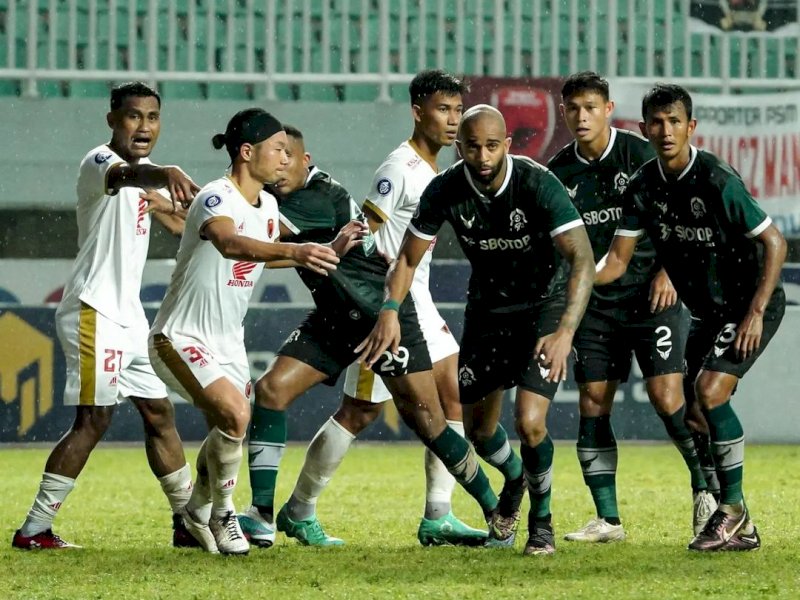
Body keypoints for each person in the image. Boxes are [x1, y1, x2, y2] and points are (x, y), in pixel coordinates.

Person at [242, 71, 485, 547]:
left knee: (417, 402)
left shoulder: (435, 170)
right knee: (364, 410)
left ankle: (433, 512)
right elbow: (366, 228)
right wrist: (380, 291)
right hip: (388, 302)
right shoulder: (400, 169)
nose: (453, 121)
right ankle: (299, 509)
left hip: (413, 296)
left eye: (458, 111)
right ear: (418, 111)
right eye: (444, 110)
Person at [358, 104, 596, 556]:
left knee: (529, 423)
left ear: (507, 145)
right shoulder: (445, 189)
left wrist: (565, 331)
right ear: (459, 148)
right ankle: (513, 482)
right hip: (488, 314)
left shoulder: (537, 184)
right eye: (472, 146)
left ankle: (540, 524)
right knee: (481, 434)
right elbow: (407, 257)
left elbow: (581, 258)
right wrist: (390, 307)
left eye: (492, 146)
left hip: (543, 311)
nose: (483, 156)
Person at [147, 108, 348, 555]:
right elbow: (229, 243)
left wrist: (317, 252)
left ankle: (195, 514)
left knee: (230, 424)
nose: (286, 157)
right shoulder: (216, 196)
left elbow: (262, 254)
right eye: (279, 149)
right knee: (237, 415)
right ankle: (223, 514)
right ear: (246, 152)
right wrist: (296, 249)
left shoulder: (271, 207)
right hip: (180, 336)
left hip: (228, 343)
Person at [596, 83, 786, 551]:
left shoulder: (716, 179)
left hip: (748, 305)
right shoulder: (642, 185)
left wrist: (755, 314)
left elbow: (774, 242)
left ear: (691, 127)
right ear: (643, 128)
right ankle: (743, 528)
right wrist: (576, 281)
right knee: (696, 416)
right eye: (656, 122)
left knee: (710, 391)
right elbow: (617, 261)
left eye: (675, 121)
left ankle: (732, 509)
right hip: (707, 312)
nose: (665, 130)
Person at [12, 82, 200, 551]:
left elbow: (180, 222)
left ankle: (187, 522)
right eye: (133, 116)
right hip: (93, 310)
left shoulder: (143, 180)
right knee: (93, 420)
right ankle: (33, 530)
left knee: (159, 413)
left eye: (152, 117)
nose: (144, 126)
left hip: (129, 317)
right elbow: (127, 178)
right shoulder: (101, 163)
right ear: (112, 119)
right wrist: (168, 172)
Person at [546, 72, 715, 543]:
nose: (581, 116)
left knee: (667, 398)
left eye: (590, 108)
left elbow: (682, 217)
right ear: (563, 112)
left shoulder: (641, 155)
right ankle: (608, 519)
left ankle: (705, 492)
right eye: (573, 108)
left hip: (651, 297)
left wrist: (669, 271)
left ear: (608, 110)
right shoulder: (558, 173)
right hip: (597, 305)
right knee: (593, 402)